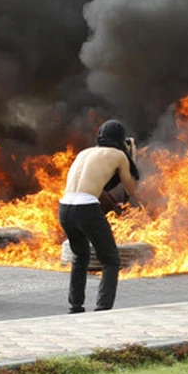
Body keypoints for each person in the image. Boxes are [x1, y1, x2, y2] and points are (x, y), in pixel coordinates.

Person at [58, 119, 140, 313]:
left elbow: (95, 184)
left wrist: (111, 203)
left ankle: (75, 305)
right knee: (110, 259)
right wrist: (132, 157)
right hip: (86, 208)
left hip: (65, 207)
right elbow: (132, 188)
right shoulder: (119, 155)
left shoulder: (84, 152)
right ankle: (103, 307)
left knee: (80, 256)